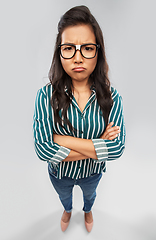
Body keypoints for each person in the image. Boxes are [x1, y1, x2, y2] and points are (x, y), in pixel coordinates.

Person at [33, 5, 126, 232]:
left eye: (86, 48)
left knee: (90, 196)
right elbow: (42, 150)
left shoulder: (112, 98)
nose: (77, 58)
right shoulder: (46, 96)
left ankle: (87, 210)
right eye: (69, 49)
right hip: (60, 174)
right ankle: (67, 210)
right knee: (64, 197)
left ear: (98, 51)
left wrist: (61, 139)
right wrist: (98, 143)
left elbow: (116, 149)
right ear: (59, 52)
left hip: (92, 173)